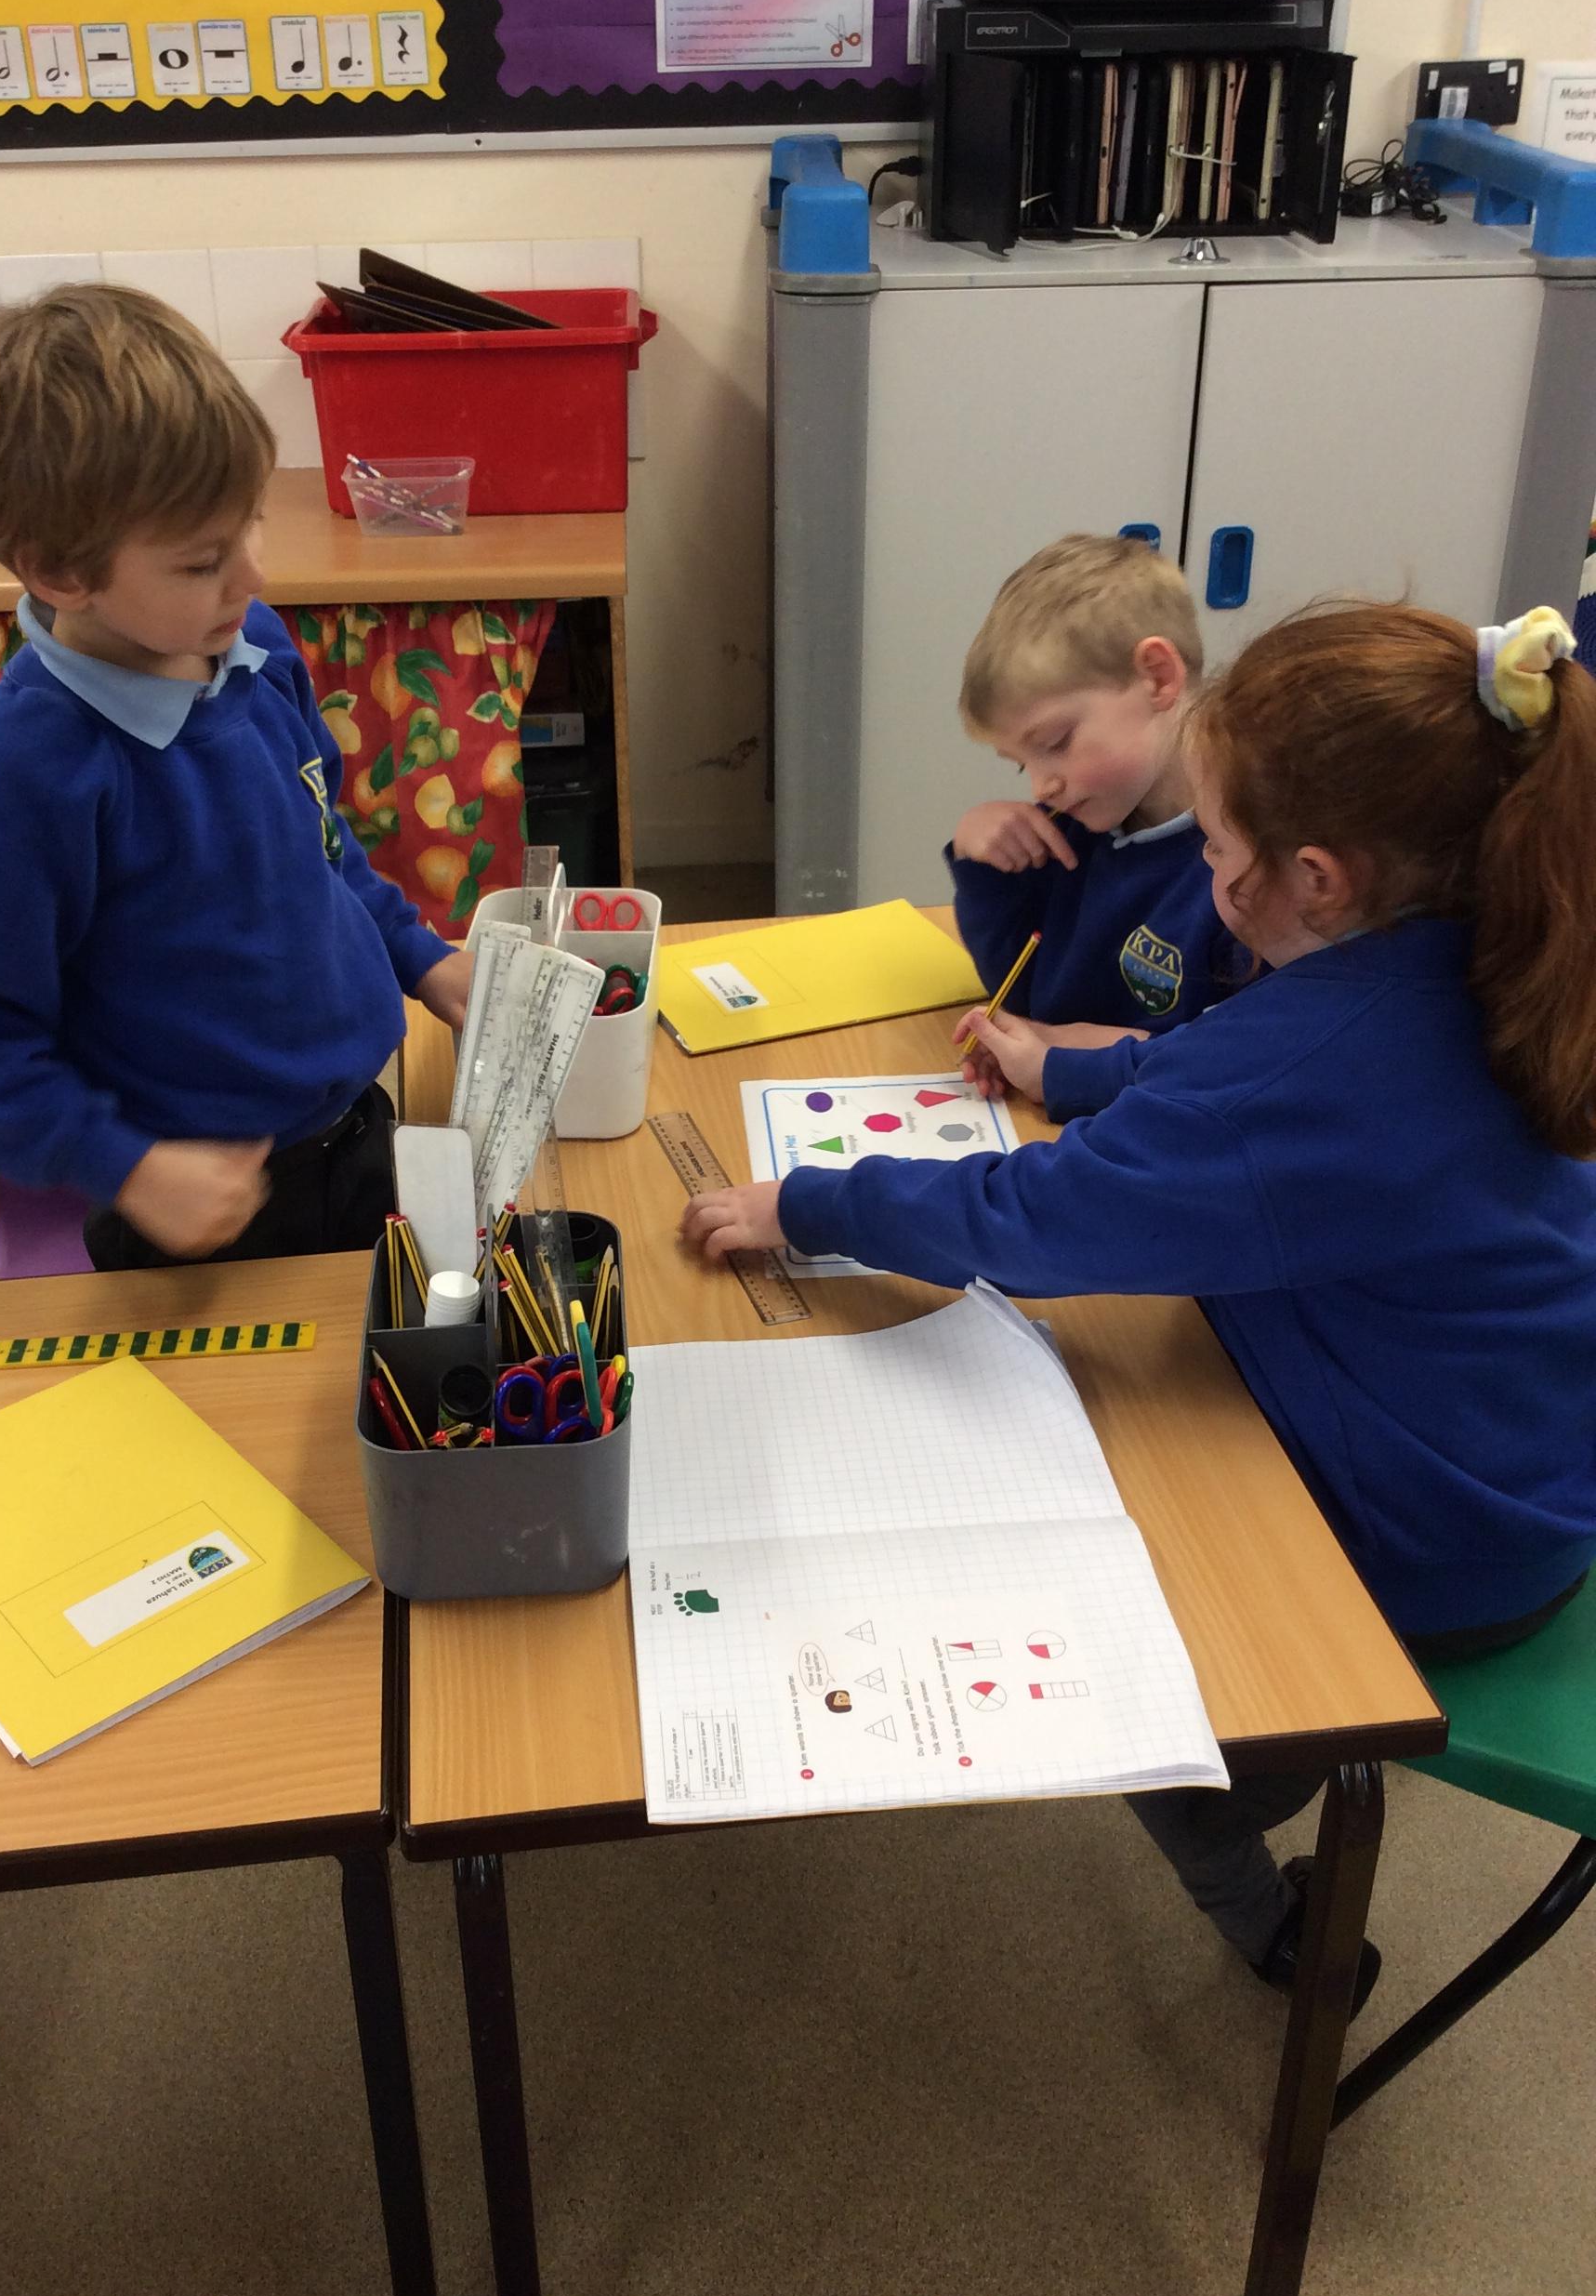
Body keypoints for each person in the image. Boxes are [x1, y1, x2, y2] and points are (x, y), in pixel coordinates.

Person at [683, 600, 1596, 2012]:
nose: (1203, 874)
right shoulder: (1478, 944)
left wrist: (807, 1204)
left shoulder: (1325, 1063)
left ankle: (1247, 1857)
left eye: (1215, 853)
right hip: (1519, 1462)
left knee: (1061, 1564)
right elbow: (1223, 1062)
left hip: (1435, 1546)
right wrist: (1069, 1069)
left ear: (1314, 879)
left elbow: (1033, 1220)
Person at [0, 284, 471, 1269]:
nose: (253, 575)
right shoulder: (21, 774)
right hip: (192, 1210)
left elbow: (320, 846)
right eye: (203, 562)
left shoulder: (256, 647)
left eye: (251, 522)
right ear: (61, 573)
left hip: (354, 1129)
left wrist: (418, 955)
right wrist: (125, 1167)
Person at [947, 534, 1247, 1120]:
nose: (1041, 787)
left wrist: (1063, 1059)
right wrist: (986, 869)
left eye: (1056, 743)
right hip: (1066, 1121)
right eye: (1022, 765)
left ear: (1157, 677)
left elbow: (1243, 1063)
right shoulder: (1084, 820)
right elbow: (1024, 990)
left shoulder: (1250, 861)